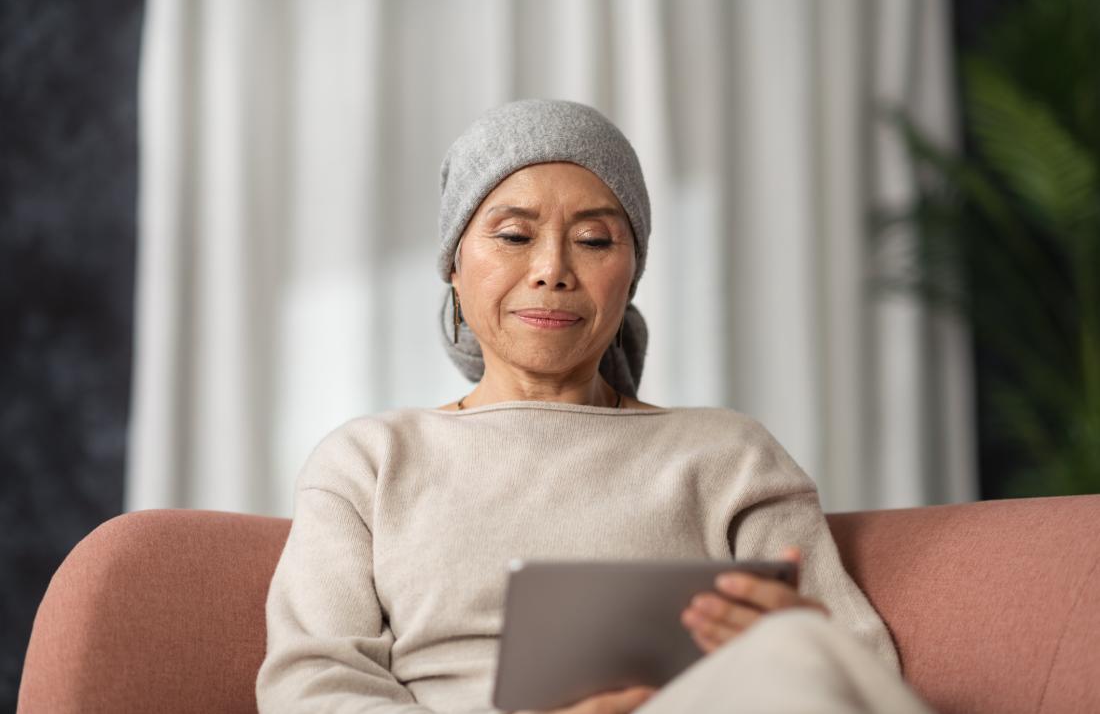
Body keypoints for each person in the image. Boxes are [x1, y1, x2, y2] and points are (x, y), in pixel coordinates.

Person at [255, 99, 933, 714]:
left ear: (631, 272)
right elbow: (314, 683)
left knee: (800, 647)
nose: (552, 268)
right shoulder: (368, 461)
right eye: (515, 235)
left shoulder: (729, 454)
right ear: (454, 266)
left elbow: (857, 668)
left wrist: (787, 635)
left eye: (594, 239)